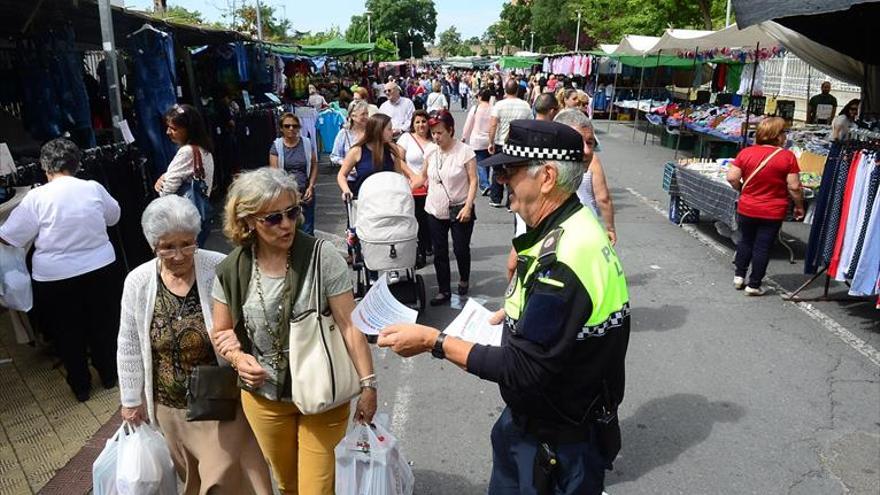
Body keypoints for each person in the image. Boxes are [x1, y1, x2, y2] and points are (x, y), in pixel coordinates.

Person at [379, 120, 631, 495]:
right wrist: (515, 316)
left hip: (553, 442)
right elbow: (564, 321)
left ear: (546, 177)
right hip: (544, 425)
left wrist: (435, 341)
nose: (499, 182)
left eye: (508, 171)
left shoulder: (565, 257)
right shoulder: (573, 228)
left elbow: (523, 369)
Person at [210, 168, 377, 494]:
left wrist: (369, 385)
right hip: (265, 399)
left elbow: (349, 324)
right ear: (248, 222)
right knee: (287, 485)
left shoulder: (321, 257)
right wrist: (237, 356)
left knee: (316, 488)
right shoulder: (232, 268)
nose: (287, 224)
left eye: (292, 212)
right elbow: (222, 330)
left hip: (323, 393)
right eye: (273, 218)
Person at [117, 196, 272, 494]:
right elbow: (129, 344)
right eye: (167, 246)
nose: (178, 254)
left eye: (187, 243)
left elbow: (249, 320)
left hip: (219, 400)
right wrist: (130, 400)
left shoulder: (218, 266)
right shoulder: (137, 282)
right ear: (153, 246)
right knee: (192, 482)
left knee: (222, 478)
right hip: (170, 408)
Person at [0, 138, 121, 402]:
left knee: (67, 332)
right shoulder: (93, 188)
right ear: (76, 163)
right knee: (103, 323)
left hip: (55, 276)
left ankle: (81, 386)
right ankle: (109, 374)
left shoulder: (36, 198)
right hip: (99, 266)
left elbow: (10, 236)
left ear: (45, 168)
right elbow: (114, 217)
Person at [726, 117, 804, 296]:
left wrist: (742, 189)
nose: (785, 136)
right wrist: (799, 206)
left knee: (746, 240)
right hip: (772, 210)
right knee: (763, 246)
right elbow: (794, 187)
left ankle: (739, 276)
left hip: (747, 206)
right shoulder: (787, 157)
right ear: (776, 136)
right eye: (783, 132)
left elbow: (731, 177)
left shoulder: (746, 153)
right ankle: (753, 284)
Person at [418, 110, 477, 305]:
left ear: (450, 130)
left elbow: (473, 180)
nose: (436, 137)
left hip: (460, 208)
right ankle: (444, 290)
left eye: (440, 132)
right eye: (433, 133)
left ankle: (463, 278)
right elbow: (422, 176)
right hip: (434, 209)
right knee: (439, 252)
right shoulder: (430, 150)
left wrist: (468, 206)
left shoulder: (465, 152)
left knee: (460, 249)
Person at [554, 109, 617, 245]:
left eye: (590, 142)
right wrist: (610, 228)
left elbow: (603, 197)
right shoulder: (536, 184)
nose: (587, 151)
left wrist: (609, 229)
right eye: (577, 141)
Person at [337, 113, 412, 199]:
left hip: (389, 200)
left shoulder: (392, 149)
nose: (393, 132)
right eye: (389, 129)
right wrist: (346, 190)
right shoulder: (357, 151)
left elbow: (398, 176)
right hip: (364, 200)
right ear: (379, 131)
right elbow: (341, 175)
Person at [269, 113, 319, 236]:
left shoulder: (306, 143)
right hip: (286, 194)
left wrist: (311, 186)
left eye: (295, 126)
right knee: (288, 228)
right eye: (287, 126)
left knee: (307, 229)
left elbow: (314, 165)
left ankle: (307, 254)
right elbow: (275, 173)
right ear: (281, 128)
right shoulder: (277, 146)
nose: (291, 129)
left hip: (305, 191)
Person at [397, 110, 434, 268]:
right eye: (417, 122)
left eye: (424, 121)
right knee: (416, 221)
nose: (421, 125)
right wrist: (413, 176)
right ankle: (419, 252)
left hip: (432, 188)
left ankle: (428, 244)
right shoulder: (406, 138)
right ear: (412, 124)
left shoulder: (434, 140)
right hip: (412, 187)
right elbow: (398, 160)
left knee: (430, 221)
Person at [487, 80, 533, 207]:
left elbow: (493, 124)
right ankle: (511, 201)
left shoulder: (499, 105)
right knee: (515, 172)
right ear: (517, 90)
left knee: (498, 170)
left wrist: (491, 142)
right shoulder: (525, 106)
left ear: (505, 90)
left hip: (501, 142)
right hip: (518, 144)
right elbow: (530, 125)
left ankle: (496, 198)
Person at [155, 104, 215, 199]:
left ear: (189, 129)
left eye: (174, 129)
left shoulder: (187, 152)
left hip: (183, 210)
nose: (168, 132)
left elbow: (166, 191)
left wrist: (162, 180)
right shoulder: (204, 150)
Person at [462, 88, 494, 194]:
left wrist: (464, 136)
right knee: (487, 162)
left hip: (477, 140)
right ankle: (485, 182)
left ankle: (484, 184)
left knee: (480, 163)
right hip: (489, 139)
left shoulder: (475, 108)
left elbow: (468, 124)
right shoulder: (493, 109)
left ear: (480, 97)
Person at [332, 100, 369, 174]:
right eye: (362, 114)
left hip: (369, 178)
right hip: (351, 178)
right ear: (353, 116)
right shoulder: (344, 133)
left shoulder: (371, 131)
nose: (366, 117)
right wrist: (347, 164)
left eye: (367, 114)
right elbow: (334, 156)